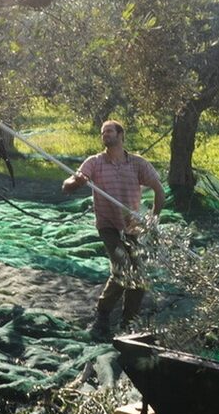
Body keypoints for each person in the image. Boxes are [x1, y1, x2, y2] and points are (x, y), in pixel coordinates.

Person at [62, 120, 165, 338]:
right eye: (102, 132)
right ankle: (102, 314)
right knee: (122, 266)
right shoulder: (95, 162)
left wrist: (153, 220)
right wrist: (76, 181)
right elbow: (68, 185)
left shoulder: (137, 164)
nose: (105, 135)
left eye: (109, 131)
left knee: (139, 277)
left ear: (120, 135)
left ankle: (129, 324)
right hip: (108, 225)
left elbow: (159, 189)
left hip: (132, 228)